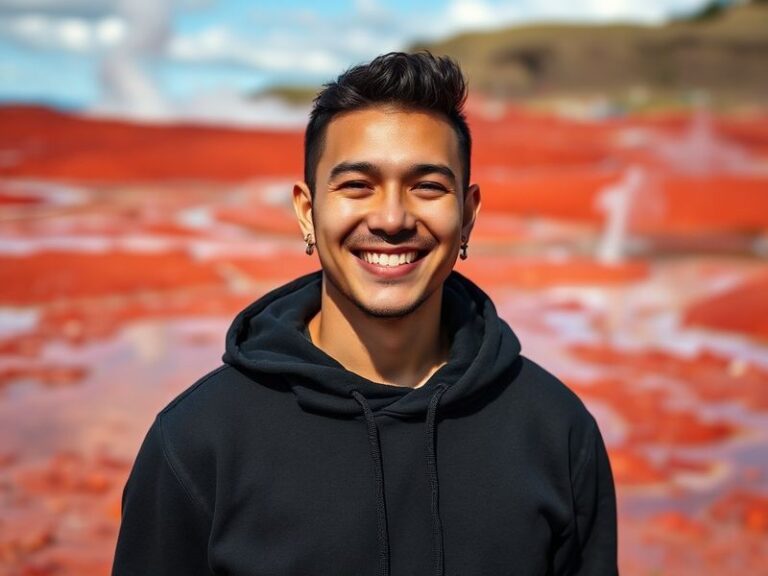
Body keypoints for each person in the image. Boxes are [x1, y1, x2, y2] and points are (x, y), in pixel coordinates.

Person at [112, 51, 618, 576]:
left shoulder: (556, 431)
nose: (392, 219)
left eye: (427, 187)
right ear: (308, 212)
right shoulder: (197, 442)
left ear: (467, 215)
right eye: (357, 185)